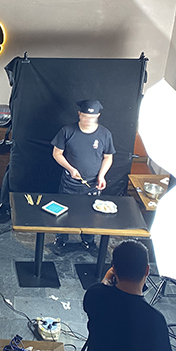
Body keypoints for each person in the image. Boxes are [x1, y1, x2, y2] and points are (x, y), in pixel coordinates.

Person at [51, 99, 115, 251]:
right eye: (85, 116)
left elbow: (108, 157)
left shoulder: (105, 134)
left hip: (92, 184)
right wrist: (71, 169)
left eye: (92, 117)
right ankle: (61, 240)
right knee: (64, 212)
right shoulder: (67, 131)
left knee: (91, 214)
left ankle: (88, 241)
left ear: (98, 116)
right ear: (79, 114)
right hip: (69, 182)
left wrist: (102, 176)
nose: (88, 120)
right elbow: (57, 153)